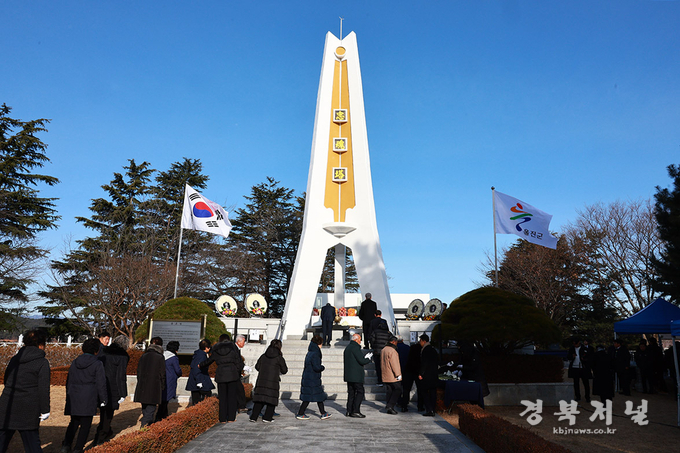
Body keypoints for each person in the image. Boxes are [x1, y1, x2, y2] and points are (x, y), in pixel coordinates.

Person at [0, 330, 50, 453]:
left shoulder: (14, 359)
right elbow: (43, 388)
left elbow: (7, 379)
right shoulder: (42, 362)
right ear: (41, 344)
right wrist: (45, 409)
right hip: (28, 408)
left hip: (7, 404)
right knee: (32, 445)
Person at [61, 338, 107, 453]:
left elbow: (69, 380)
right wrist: (103, 399)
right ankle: (78, 448)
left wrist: (69, 395)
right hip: (89, 396)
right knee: (85, 425)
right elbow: (101, 383)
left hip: (74, 395)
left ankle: (66, 445)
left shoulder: (75, 362)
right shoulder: (97, 363)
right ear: (97, 350)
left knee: (74, 422)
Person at [94, 334, 129, 446]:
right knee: (108, 414)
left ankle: (106, 431)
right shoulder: (122, 356)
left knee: (103, 412)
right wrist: (123, 393)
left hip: (100, 384)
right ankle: (100, 438)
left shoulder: (104, 351)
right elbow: (120, 376)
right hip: (113, 387)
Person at [200, 334, 243, 423]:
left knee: (222, 397)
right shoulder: (233, 348)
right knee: (232, 397)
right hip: (232, 374)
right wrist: (237, 370)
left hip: (221, 374)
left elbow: (210, 360)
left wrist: (201, 365)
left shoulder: (216, 349)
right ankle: (231, 417)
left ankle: (222, 418)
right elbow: (239, 361)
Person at [250, 339, 288, 423]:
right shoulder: (279, 358)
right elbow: (284, 370)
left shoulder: (263, 356)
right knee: (271, 400)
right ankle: (267, 417)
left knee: (259, 399)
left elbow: (257, 367)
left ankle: (253, 417)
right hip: (273, 382)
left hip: (261, 380)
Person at [134, 337, 166, 427]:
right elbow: (162, 374)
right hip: (154, 386)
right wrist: (162, 386)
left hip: (142, 386)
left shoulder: (143, 356)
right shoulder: (160, 357)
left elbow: (138, 371)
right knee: (151, 408)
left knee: (145, 407)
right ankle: (145, 426)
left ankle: (146, 423)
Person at [296, 335, 331, 420]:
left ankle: (322, 412)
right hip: (313, 378)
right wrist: (322, 367)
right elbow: (316, 367)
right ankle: (303, 413)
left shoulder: (310, 352)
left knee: (312, 397)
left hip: (308, 377)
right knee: (317, 396)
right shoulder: (316, 353)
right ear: (319, 344)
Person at [343, 333, 372, 418]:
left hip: (349, 375)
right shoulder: (355, 348)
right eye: (359, 339)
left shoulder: (348, 347)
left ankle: (349, 410)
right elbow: (362, 361)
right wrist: (368, 358)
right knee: (360, 392)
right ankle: (355, 411)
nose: (360, 341)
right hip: (356, 375)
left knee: (351, 393)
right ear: (356, 340)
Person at [156, 341, 182, 422]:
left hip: (161, 378)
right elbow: (177, 370)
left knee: (163, 398)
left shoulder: (162, 355)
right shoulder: (173, 358)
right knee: (165, 399)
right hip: (170, 380)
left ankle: (164, 415)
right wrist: (179, 374)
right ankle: (159, 417)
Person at [186, 339, 214, 406]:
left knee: (196, 400)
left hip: (196, 380)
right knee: (206, 396)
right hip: (200, 380)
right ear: (206, 348)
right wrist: (199, 381)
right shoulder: (201, 356)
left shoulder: (198, 354)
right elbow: (196, 369)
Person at [418, 334, 439, 416]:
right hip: (434, 374)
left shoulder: (425, 350)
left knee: (424, 392)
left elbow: (424, 363)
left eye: (420, 341)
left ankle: (429, 409)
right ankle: (433, 409)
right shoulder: (433, 350)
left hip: (427, 375)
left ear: (424, 341)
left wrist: (421, 373)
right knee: (433, 392)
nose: (419, 342)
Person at [381, 336, 402, 414]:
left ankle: (389, 407)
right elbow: (394, 364)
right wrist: (398, 374)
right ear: (393, 342)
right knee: (398, 389)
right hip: (392, 374)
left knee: (389, 391)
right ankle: (390, 405)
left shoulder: (383, 349)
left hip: (385, 373)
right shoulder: (392, 351)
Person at [400, 339, 423, 412]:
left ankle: (404, 405)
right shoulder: (420, 352)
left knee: (406, 389)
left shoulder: (411, 351)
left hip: (408, 370)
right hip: (418, 371)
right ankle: (420, 406)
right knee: (420, 389)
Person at [370, 312, 392, 386]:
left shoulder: (375, 332)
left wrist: (373, 347)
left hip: (377, 351)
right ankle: (386, 380)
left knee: (378, 366)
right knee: (386, 366)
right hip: (386, 351)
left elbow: (372, 340)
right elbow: (392, 340)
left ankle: (380, 381)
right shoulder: (388, 333)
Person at [567, 337, 591, 403]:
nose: (575, 345)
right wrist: (572, 356)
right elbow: (568, 357)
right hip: (575, 367)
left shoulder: (584, 348)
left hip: (583, 367)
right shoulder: (571, 349)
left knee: (586, 383)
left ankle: (587, 397)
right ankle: (577, 396)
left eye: (576, 344)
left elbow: (589, 357)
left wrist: (584, 360)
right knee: (576, 383)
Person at [234, 334, 249, 413]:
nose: (244, 343)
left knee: (240, 390)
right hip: (234, 374)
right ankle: (241, 406)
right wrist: (242, 367)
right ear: (239, 341)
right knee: (239, 390)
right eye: (243, 341)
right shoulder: (234, 349)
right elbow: (236, 361)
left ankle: (241, 406)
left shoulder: (237, 349)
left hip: (236, 374)